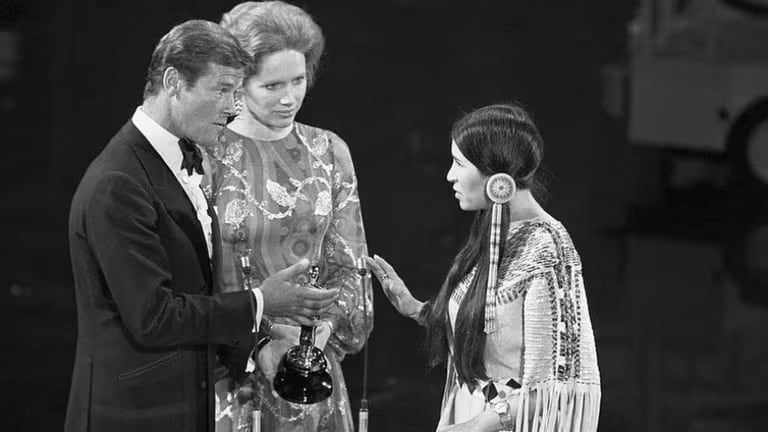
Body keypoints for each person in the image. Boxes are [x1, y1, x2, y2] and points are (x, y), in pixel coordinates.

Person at [65, 20, 339, 432]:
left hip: (180, 408)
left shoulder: (180, 159)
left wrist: (257, 347)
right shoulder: (117, 183)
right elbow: (154, 316)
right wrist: (262, 301)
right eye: (223, 89)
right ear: (174, 81)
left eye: (237, 91)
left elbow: (194, 291)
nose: (234, 107)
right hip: (132, 414)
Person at [366, 103, 601, 432]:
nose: (450, 175)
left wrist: (478, 424)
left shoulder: (548, 249)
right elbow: (488, 327)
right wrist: (416, 309)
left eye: (459, 164)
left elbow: (555, 383)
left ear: (497, 177)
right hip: (472, 414)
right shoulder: (494, 231)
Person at [202, 2, 373, 431]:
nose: (288, 97)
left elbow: (351, 264)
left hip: (311, 372)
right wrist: (256, 340)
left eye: (298, 80)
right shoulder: (207, 153)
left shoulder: (329, 150)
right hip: (229, 372)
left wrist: (326, 330)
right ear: (239, 84)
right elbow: (193, 275)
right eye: (271, 85)